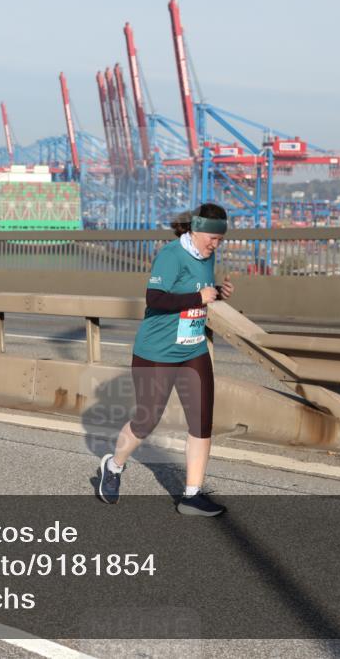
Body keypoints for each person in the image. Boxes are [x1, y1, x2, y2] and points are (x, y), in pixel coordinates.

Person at [96, 203, 234, 516]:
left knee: (201, 421)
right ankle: (114, 466)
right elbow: (155, 299)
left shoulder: (207, 256)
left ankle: (192, 495)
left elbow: (198, 294)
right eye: (211, 238)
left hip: (193, 349)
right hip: (156, 352)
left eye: (220, 239)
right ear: (195, 230)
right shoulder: (171, 255)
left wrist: (218, 293)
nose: (215, 244)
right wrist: (200, 297)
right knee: (147, 419)